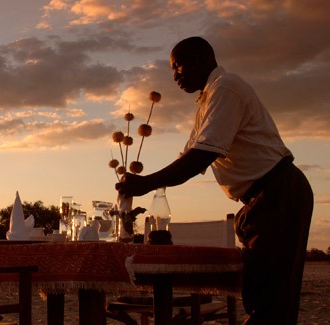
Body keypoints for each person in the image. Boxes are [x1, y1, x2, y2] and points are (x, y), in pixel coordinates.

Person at [115, 36, 313, 324]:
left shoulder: (227, 88)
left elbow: (200, 159)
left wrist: (145, 184)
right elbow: (188, 157)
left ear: (201, 59)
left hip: (278, 192)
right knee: (262, 292)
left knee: (271, 297)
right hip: (261, 200)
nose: (174, 77)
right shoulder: (207, 103)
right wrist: (142, 182)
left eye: (178, 67)